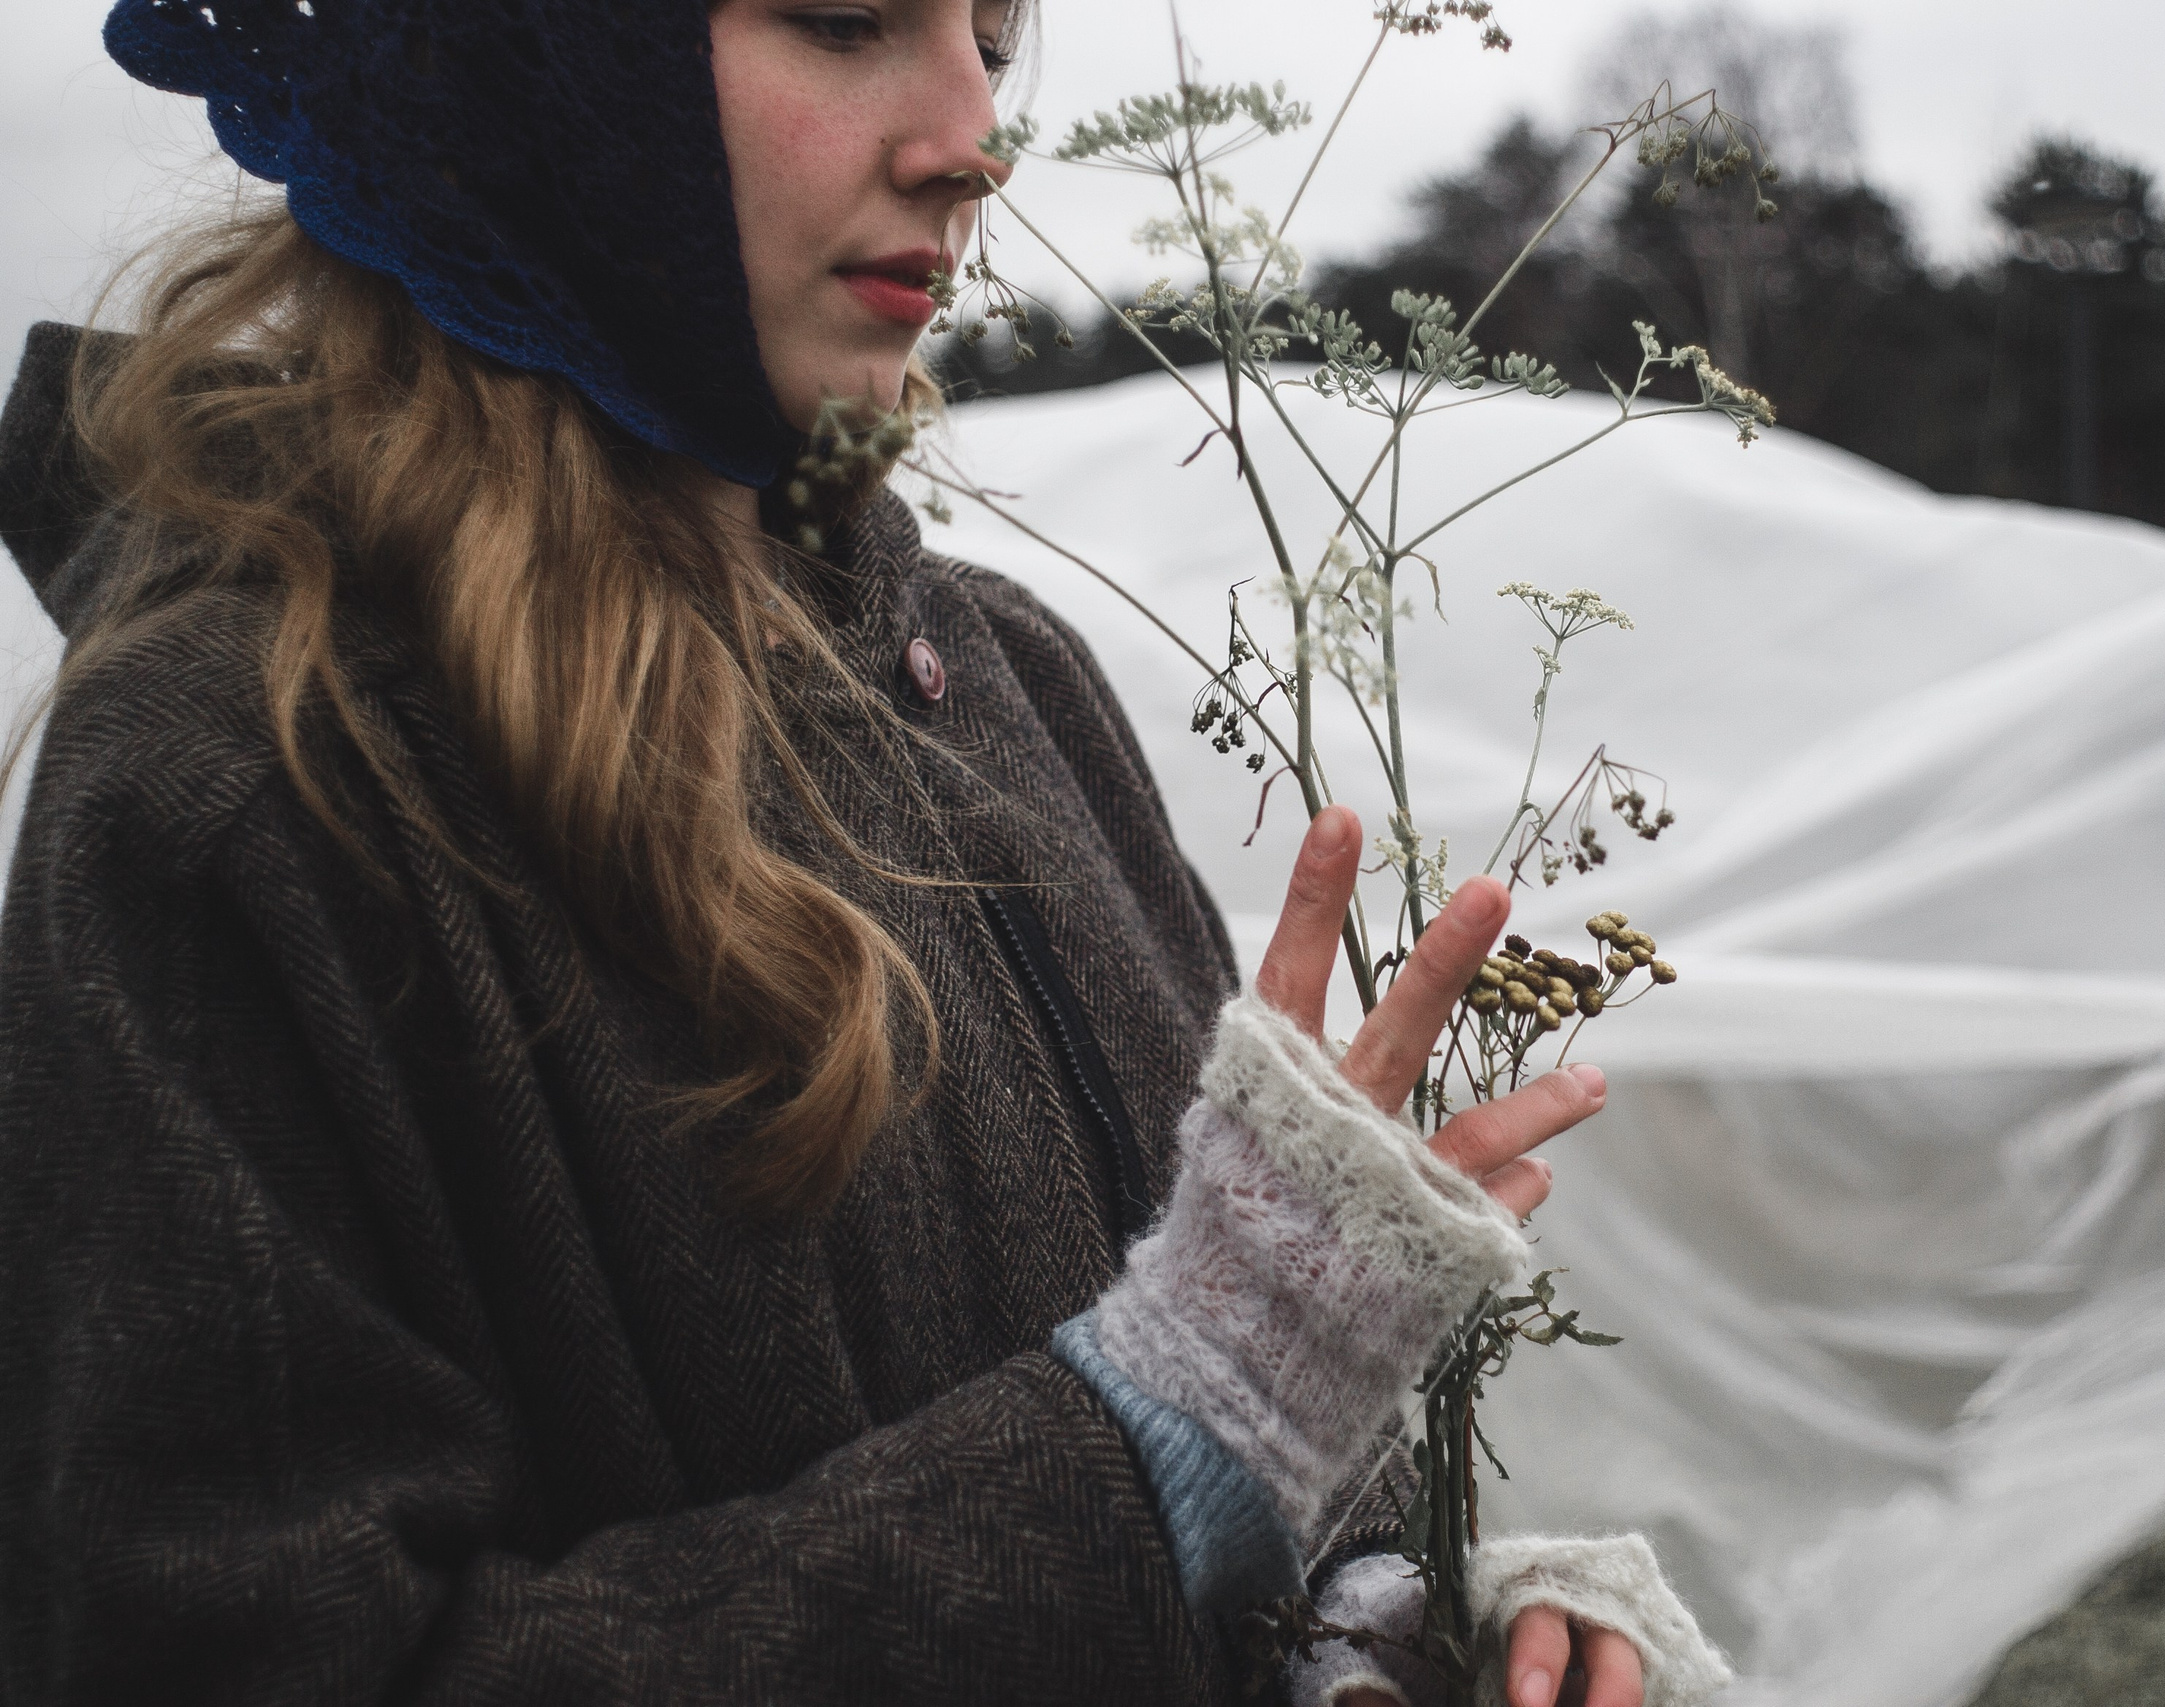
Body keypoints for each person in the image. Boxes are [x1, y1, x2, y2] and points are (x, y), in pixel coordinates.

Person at [0, 0, 1729, 1701]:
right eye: (842, 19)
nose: (971, 139)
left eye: (990, 31)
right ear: (524, 62)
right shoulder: (253, 777)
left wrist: (1396, 1615)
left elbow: (1235, 1447)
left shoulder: (1002, 675)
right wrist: (1162, 1445)